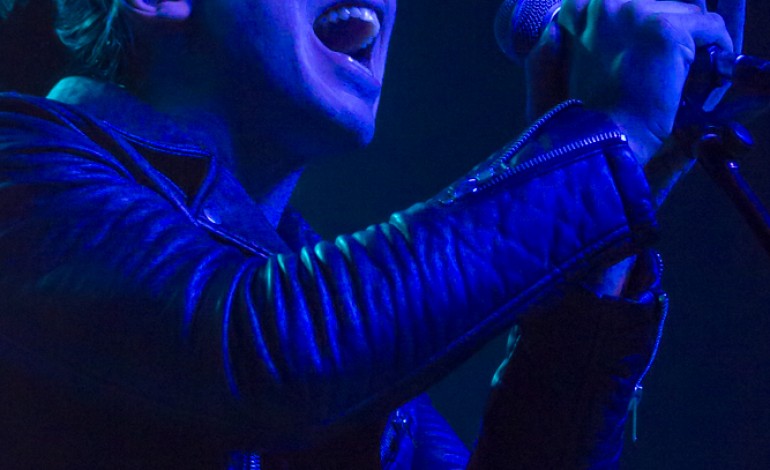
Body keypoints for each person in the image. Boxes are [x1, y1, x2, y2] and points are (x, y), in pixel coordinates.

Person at [0, 0, 732, 468]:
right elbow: (261, 350)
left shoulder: (339, 333)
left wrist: (594, 254)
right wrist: (604, 137)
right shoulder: (15, 161)